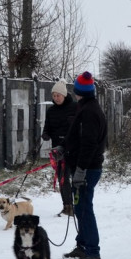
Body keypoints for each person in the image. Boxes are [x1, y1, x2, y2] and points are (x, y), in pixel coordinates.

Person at [62, 71, 107, 259]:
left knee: (85, 209)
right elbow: (77, 137)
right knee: (80, 208)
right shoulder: (86, 106)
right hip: (84, 166)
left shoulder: (89, 112)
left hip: (88, 169)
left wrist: (80, 169)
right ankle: (82, 245)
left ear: (79, 91)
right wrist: (63, 147)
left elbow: (89, 144)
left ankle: (92, 251)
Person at [42, 80, 78, 216]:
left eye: (58, 95)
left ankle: (78, 205)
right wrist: (46, 134)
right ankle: (67, 207)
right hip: (58, 150)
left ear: (64, 95)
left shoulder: (75, 107)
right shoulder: (51, 111)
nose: (56, 98)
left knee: (76, 179)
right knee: (63, 178)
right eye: (54, 95)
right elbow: (48, 127)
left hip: (74, 149)